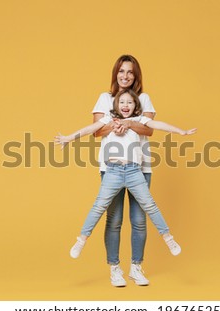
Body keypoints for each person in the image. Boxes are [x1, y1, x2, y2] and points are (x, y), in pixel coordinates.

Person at [55, 89, 196, 286]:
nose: (126, 105)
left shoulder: (139, 121)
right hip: (112, 172)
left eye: (130, 102)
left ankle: (168, 238)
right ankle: (81, 240)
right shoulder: (108, 120)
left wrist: (179, 131)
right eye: (122, 102)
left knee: (150, 206)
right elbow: (90, 129)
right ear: (116, 105)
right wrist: (69, 138)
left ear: (135, 106)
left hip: (134, 172)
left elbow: (157, 124)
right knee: (99, 207)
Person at [91, 55, 158, 287]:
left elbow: (148, 131)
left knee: (139, 220)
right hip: (111, 167)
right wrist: (116, 124)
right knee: (114, 219)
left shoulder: (144, 99)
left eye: (130, 72)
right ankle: (115, 268)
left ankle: (136, 267)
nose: (125, 76)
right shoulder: (104, 98)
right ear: (115, 73)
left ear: (135, 75)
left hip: (140, 166)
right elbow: (97, 131)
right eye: (121, 71)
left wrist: (128, 123)